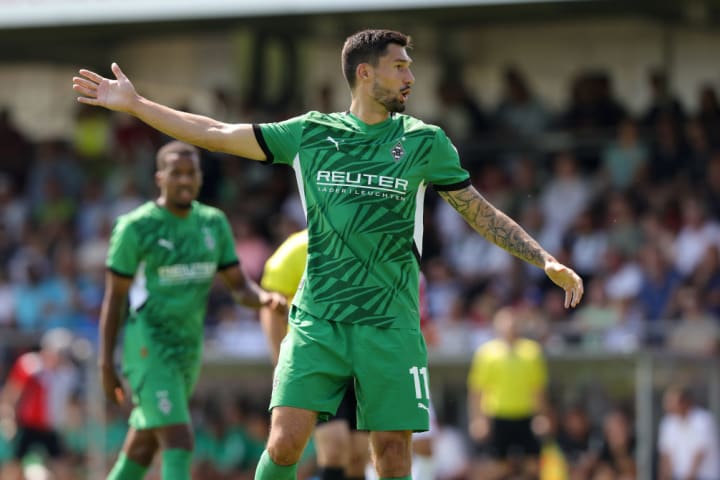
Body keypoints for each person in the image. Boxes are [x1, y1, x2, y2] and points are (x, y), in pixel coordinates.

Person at [73, 28, 584, 480]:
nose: (410, 76)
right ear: (365, 73)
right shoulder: (313, 133)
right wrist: (138, 106)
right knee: (285, 441)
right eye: (400, 66)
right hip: (318, 318)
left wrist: (543, 259)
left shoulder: (425, 141)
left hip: (390, 322)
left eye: (410, 67)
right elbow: (216, 134)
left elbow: (477, 211)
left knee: (391, 453)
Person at [96, 140, 286, 480]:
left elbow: (239, 286)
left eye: (191, 173)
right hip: (148, 346)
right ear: (159, 177)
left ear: (200, 178)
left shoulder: (213, 224)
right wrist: (106, 363)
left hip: (187, 349)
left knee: (144, 445)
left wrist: (266, 298)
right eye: (176, 173)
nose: (184, 180)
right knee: (178, 437)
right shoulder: (136, 227)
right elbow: (115, 298)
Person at [260, 228, 370, 480]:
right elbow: (270, 307)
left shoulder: (364, 243)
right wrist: (280, 361)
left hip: (359, 364)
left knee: (357, 457)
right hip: (317, 363)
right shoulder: (297, 248)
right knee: (334, 449)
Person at [466, 307, 549, 480]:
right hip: (498, 416)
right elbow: (477, 390)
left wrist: (541, 416)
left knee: (533, 467)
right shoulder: (486, 353)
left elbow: (538, 389)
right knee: (498, 467)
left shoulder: (532, 352)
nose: (508, 326)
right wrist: (478, 420)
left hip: (525, 415)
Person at [0, 328, 80, 480]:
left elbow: (70, 403)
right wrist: (8, 419)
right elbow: (12, 394)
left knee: (63, 467)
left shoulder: (68, 373)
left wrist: (71, 423)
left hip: (50, 427)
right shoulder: (30, 366)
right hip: (27, 425)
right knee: (14, 466)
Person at [658, 384, 720, 480]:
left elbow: (700, 453)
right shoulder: (668, 423)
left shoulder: (703, 420)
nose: (668, 405)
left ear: (685, 402)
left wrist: (690, 477)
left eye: (672, 401)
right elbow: (666, 454)